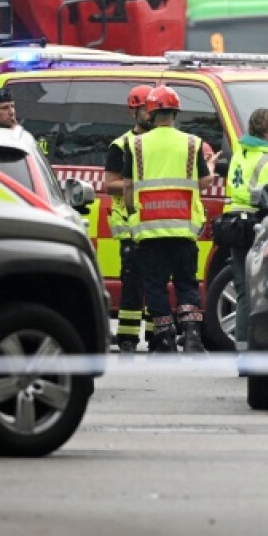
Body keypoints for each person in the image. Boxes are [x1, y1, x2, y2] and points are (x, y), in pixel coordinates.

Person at [123, 85, 213, 354]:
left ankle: (164, 337)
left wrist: (131, 212)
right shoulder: (192, 143)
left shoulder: (135, 144)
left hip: (149, 229)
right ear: (175, 112)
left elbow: (127, 186)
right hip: (184, 226)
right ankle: (192, 333)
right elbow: (203, 181)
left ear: (150, 112)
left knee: (155, 284)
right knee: (186, 282)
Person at [222, 109, 268, 351]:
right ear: (266, 132)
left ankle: (243, 354)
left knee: (243, 293)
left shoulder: (241, 151)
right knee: (266, 293)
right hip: (259, 225)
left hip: (235, 224)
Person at [104, 85, 154, 354]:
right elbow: (109, 183)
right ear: (134, 111)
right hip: (130, 228)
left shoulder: (165, 143)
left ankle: (158, 336)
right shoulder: (121, 146)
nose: (151, 114)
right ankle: (127, 339)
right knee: (133, 285)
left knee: (157, 285)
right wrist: (137, 185)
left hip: (159, 224)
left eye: (155, 108)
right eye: (147, 109)